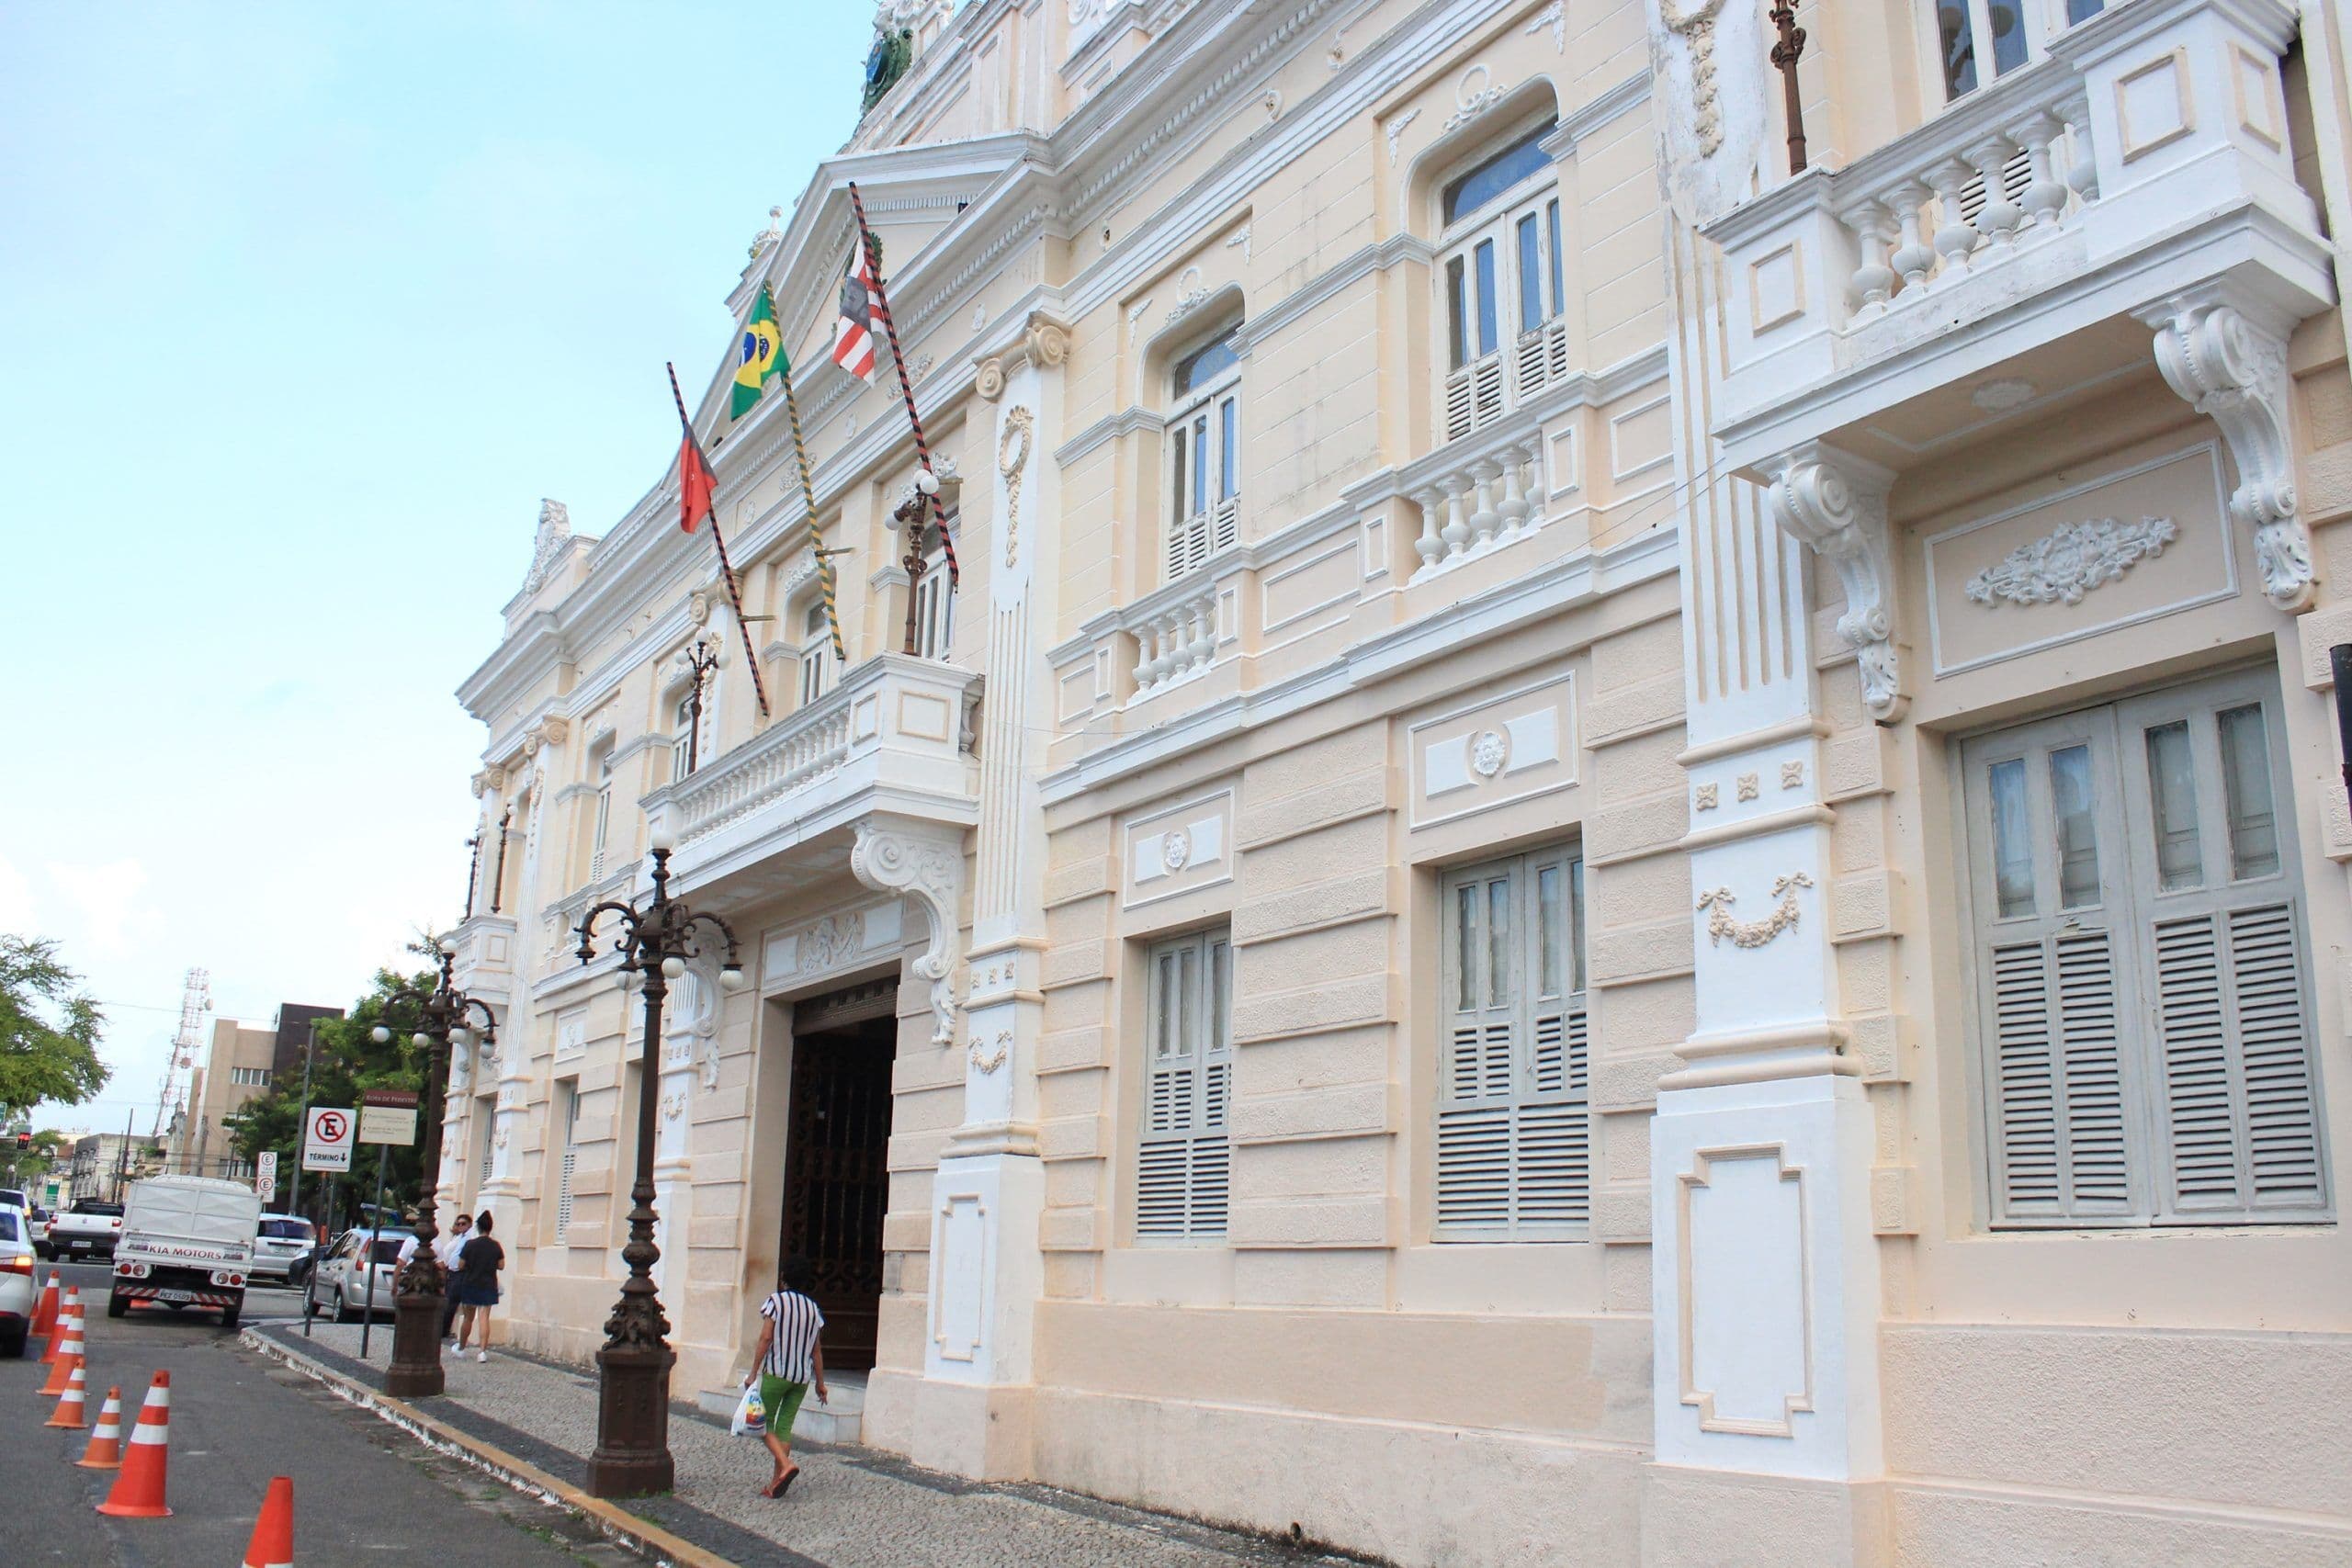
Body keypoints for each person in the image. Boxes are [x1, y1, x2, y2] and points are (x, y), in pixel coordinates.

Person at [743, 1255, 828, 1499]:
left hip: (777, 1373)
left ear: (783, 1278)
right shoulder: (813, 1308)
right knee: (784, 1428)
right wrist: (820, 1383)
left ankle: (786, 1464)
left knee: (761, 1425)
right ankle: (775, 1482)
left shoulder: (776, 1302)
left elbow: (766, 1338)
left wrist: (753, 1371)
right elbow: (817, 1349)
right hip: (801, 1377)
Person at [452, 1210, 503, 1361]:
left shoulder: (470, 1244)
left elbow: (460, 1265)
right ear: (490, 1228)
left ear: (478, 1227)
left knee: (468, 1317)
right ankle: (482, 1352)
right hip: (488, 1283)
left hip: (470, 1283)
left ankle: (461, 1347)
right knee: (484, 1317)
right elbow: (501, 1265)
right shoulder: (495, 1246)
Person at [436, 1212, 471, 1338]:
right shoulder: (460, 1237)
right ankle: (443, 1328)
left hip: (459, 1272)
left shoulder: (469, 1236)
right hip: (452, 1271)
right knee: (449, 1300)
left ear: (469, 1224)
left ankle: (443, 1330)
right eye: (458, 1224)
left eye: (463, 1224)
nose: (460, 1226)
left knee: (451, 1301)